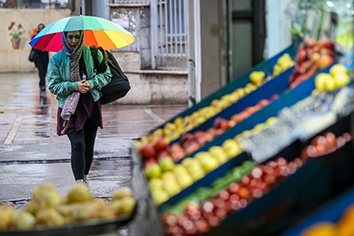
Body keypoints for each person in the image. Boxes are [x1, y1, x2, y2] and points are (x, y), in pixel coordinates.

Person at [47, 30, 112, 186]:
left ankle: (84, 177)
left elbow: (107, 75)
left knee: (89, 144)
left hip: (90, 103)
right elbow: (53, 85)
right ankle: (78, 183)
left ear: (82, 36)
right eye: (70, 37)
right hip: (70, 107)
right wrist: (74, 86)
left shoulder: (93, 53)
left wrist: (93, 82)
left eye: (77, 36)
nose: (74, 40)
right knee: (78, 144)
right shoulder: (57, 59)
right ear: (64, 37)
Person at [31, 23, 49, 92]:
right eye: (40, 28)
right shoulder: (35, 37)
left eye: (42, 28)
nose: (41, 29)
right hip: (38, 57)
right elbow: (33, 46)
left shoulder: (46, 37)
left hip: (44, 57)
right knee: (41, 70)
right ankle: (43, 85)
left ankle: (41, 83)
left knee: (44, 72)